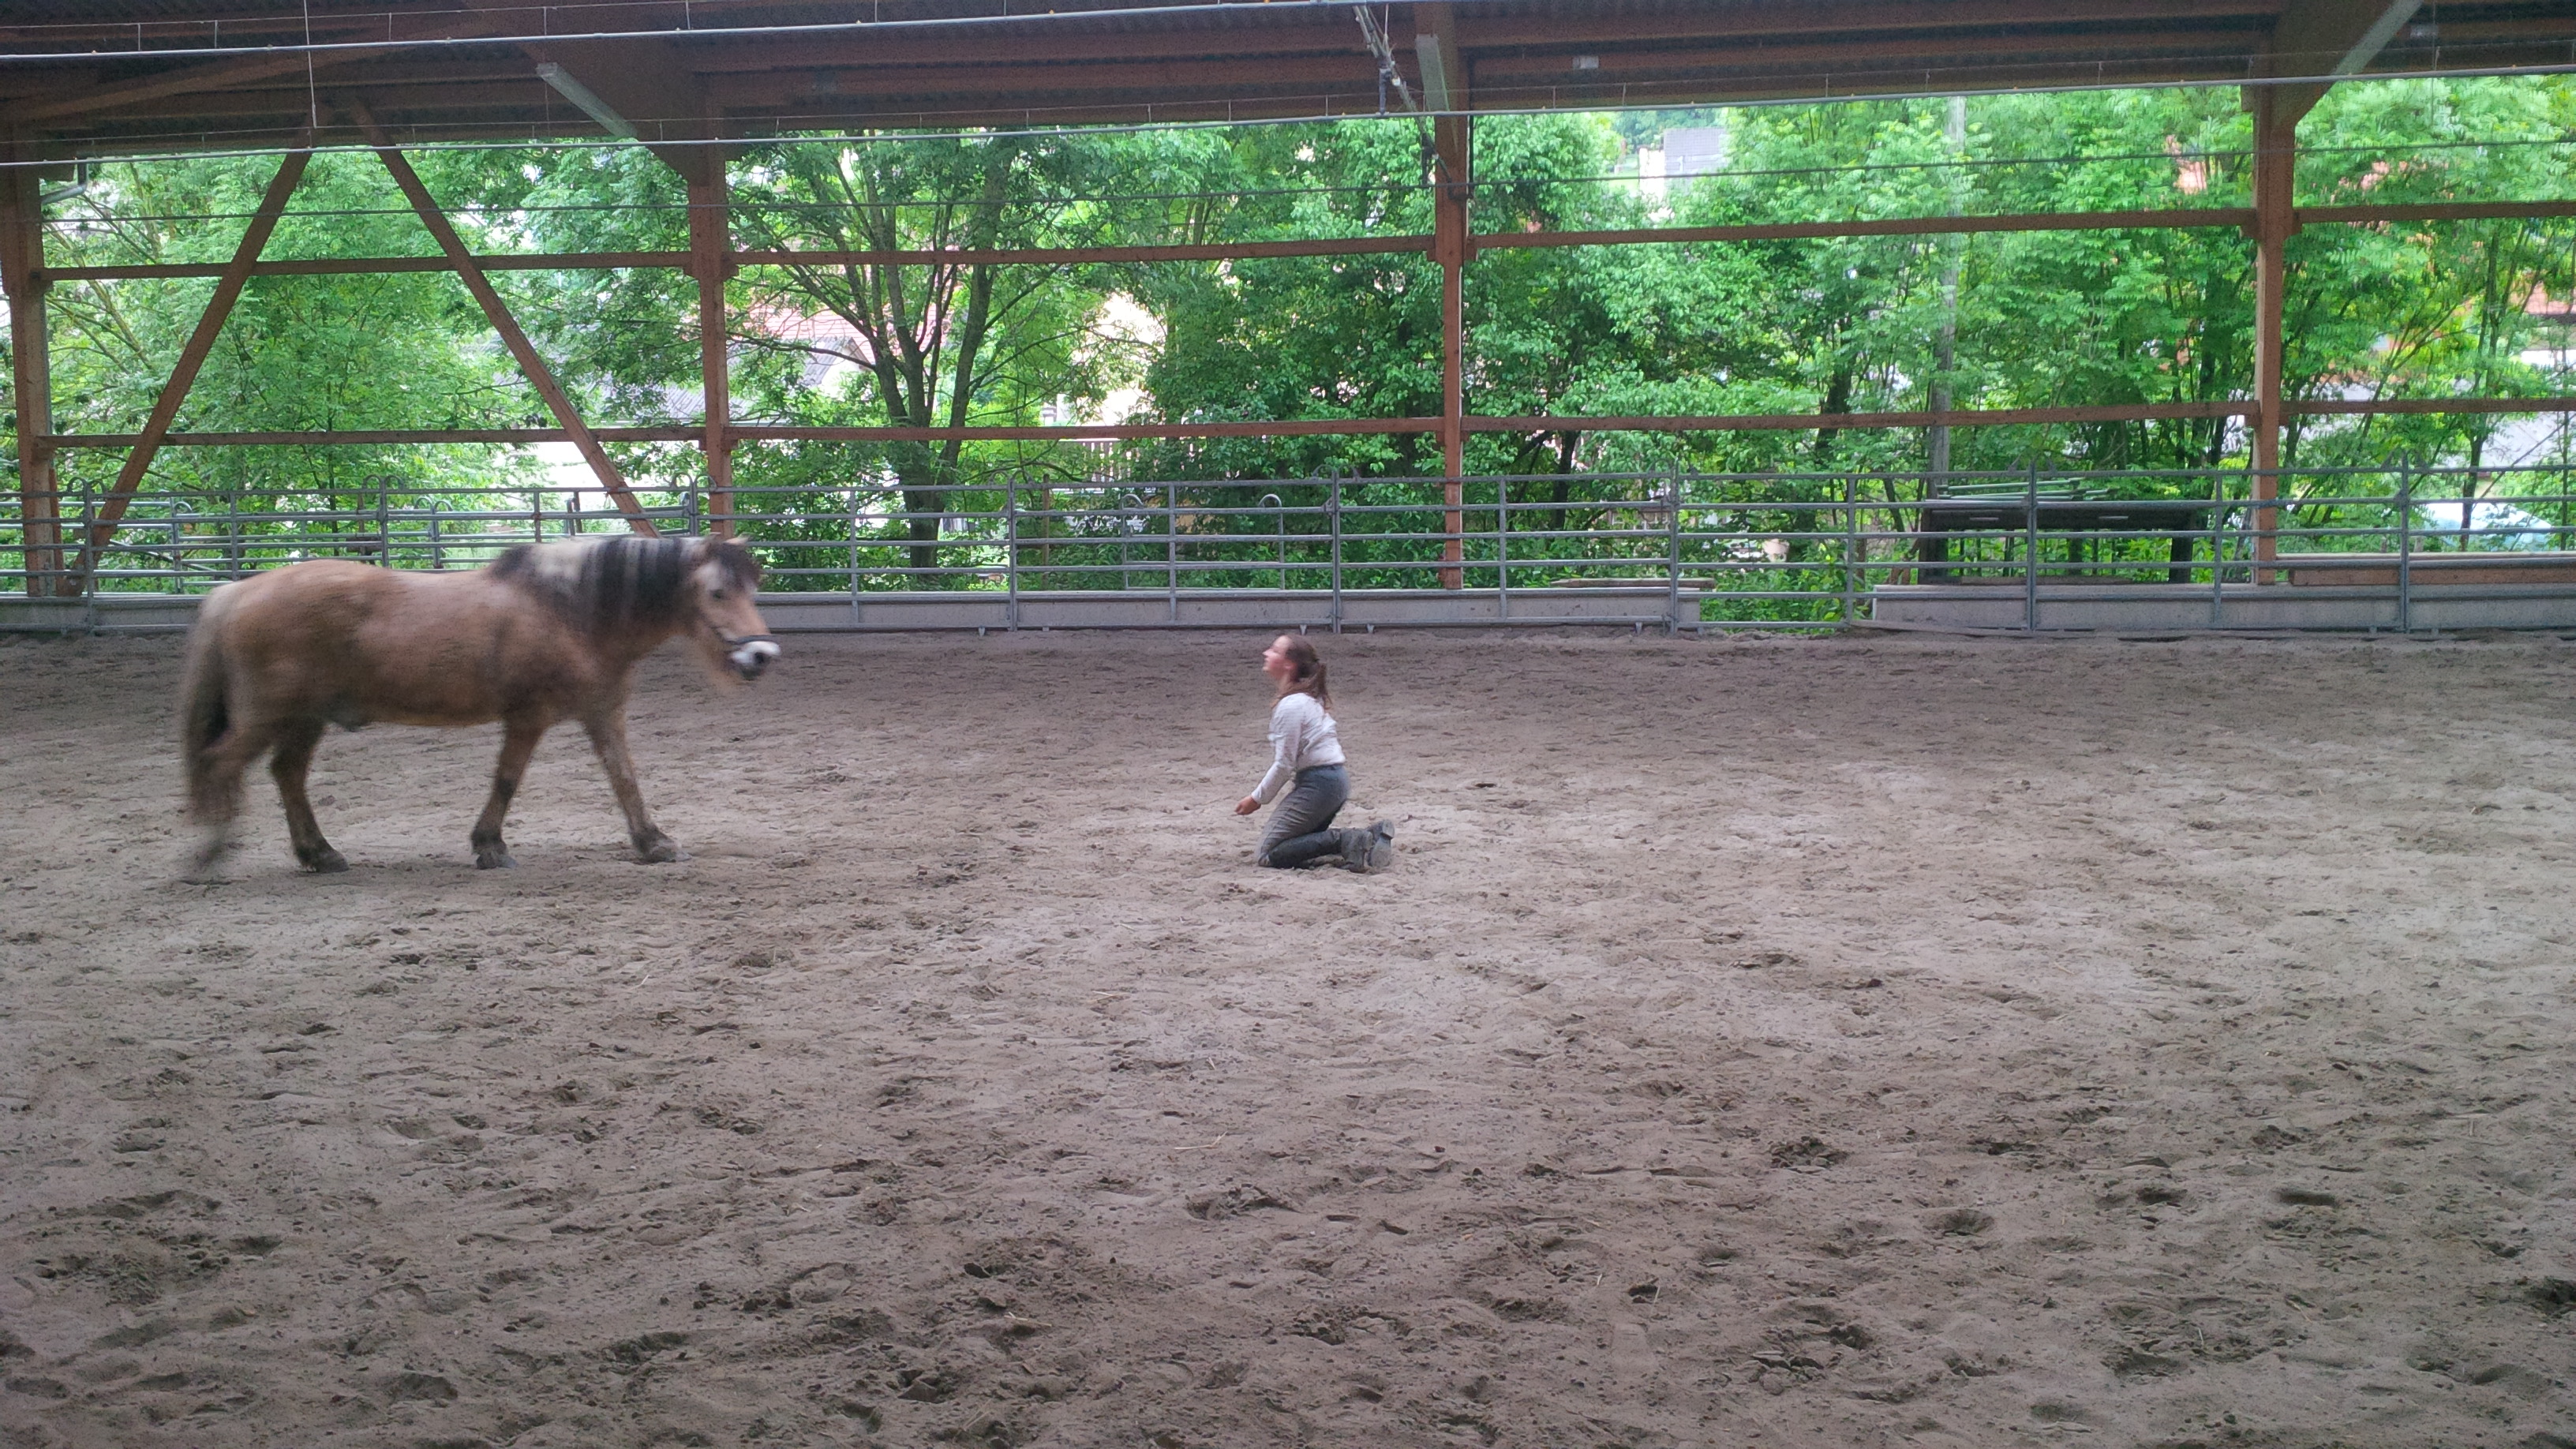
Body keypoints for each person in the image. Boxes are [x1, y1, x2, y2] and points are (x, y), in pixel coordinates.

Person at [1234, 635, 1394, 871]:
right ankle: (1370, 836)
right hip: (1333, 781)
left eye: (1275, 651)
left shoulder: (1291, 705)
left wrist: (1257, 799)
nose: (1266, 653)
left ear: (1289, 664)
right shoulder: (1306, 700)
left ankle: (1348, 839)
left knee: (1267, 854)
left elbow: (1284, 765)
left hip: (1319, 785)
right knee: (1295, 845)